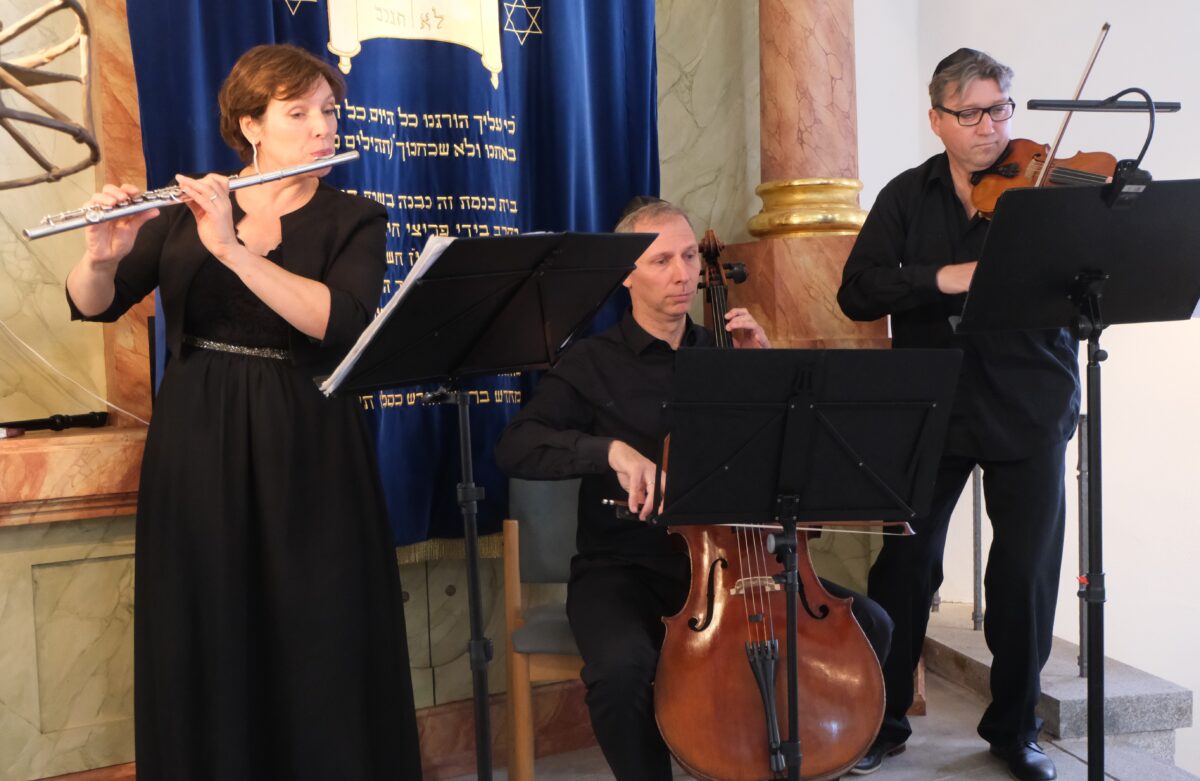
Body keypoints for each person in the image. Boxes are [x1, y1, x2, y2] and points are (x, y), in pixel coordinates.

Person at [65, 44, 422, 781]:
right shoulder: (189, 202)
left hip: (308, 440)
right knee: (208, 623)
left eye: (329, 111)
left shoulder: (353, 216)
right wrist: (101, 254)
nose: (323, 127)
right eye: (300, 113)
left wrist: (230, 248)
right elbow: (91, 303)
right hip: (197, 440)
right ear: (251, 124)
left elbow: (342, 320)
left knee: (314, 626)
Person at [495, 199, 894, 781]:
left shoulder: (728, 351)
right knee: (620, 672)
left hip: (735, 565)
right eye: (661, 261)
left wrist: (769, 375)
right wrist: (608, 450)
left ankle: (763, 756)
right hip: (623, 567)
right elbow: (516, 446)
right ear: (626, 274)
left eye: (687, 256)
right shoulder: (590, 364)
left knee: (871, 626)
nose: (683, 274)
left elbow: (791, 459)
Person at [838, 48, 1079, 781]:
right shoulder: (907, 198)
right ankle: (883, 721)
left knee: (1024, 575)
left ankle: (1014, 726)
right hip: (930, 403)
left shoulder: (1044, 191)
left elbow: (1086, 278)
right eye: (970, 113)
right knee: (905, 567)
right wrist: (941, 278)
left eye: (1000, 109)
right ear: (937, 118)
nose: (989, 129)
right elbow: (858, 291)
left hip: (1029, 400)